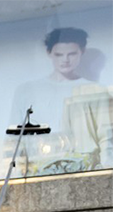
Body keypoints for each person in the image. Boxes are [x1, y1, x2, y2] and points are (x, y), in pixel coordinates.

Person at [10, 27, 113, 175]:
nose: (65, 60)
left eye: (72, 54)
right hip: (38, 170)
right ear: (49, 53)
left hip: (85, 169)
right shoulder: (27, 91)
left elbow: (107, 136)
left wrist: (107, 171)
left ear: (82, 51)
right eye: (59, 54)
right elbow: (14, 138)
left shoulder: (96, 90)